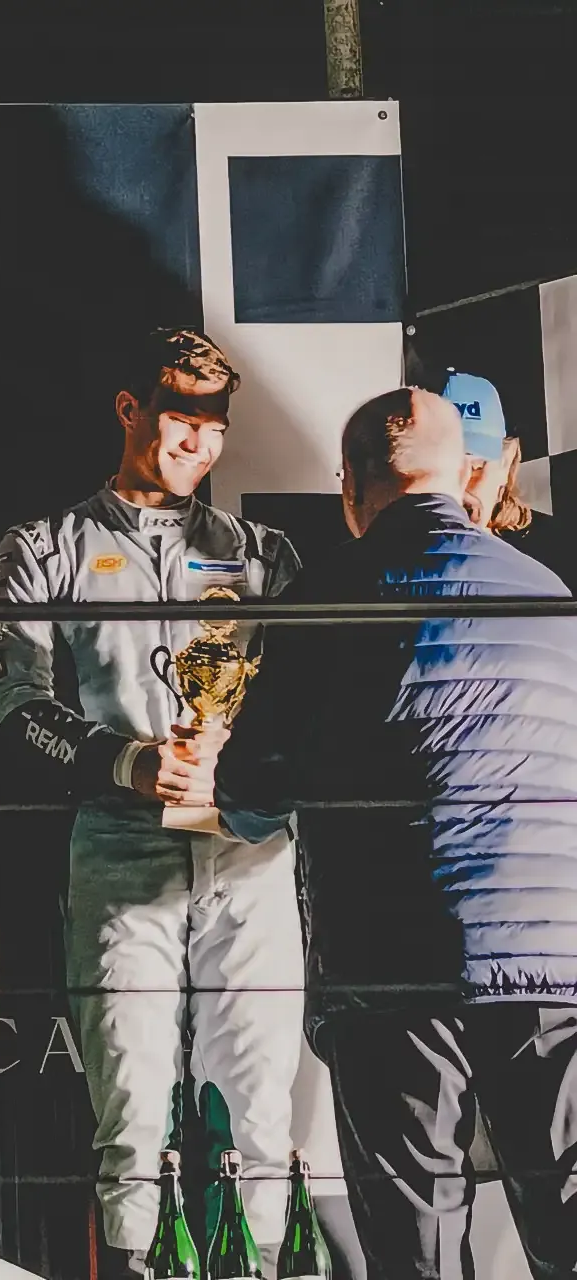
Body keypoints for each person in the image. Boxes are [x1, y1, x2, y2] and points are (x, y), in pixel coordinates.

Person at [216, 386, 577, 1279]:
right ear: (467, 475)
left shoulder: (323, 599)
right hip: (554, 962)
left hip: (392, 969)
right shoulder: (548, 594)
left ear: (350, 486)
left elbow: (250, 790)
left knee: (418, 1250)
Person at [0, 329, 303, 1274]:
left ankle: (258, 1262)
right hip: (121, 846)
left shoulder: (264, 555)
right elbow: (13, 706)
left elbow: (313, 704)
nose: (199, 440)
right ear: (129, 410)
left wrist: (239, 773)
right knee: (130, 1112)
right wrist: (129, 763)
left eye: (215, 423)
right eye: (179, 416)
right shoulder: (44, 547)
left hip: (246, 849)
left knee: (260, 1107)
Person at [446, 367, 576, 585]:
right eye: (440, 470)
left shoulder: (554, 565)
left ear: (507, 461)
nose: (457, 487)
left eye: (477, 467)